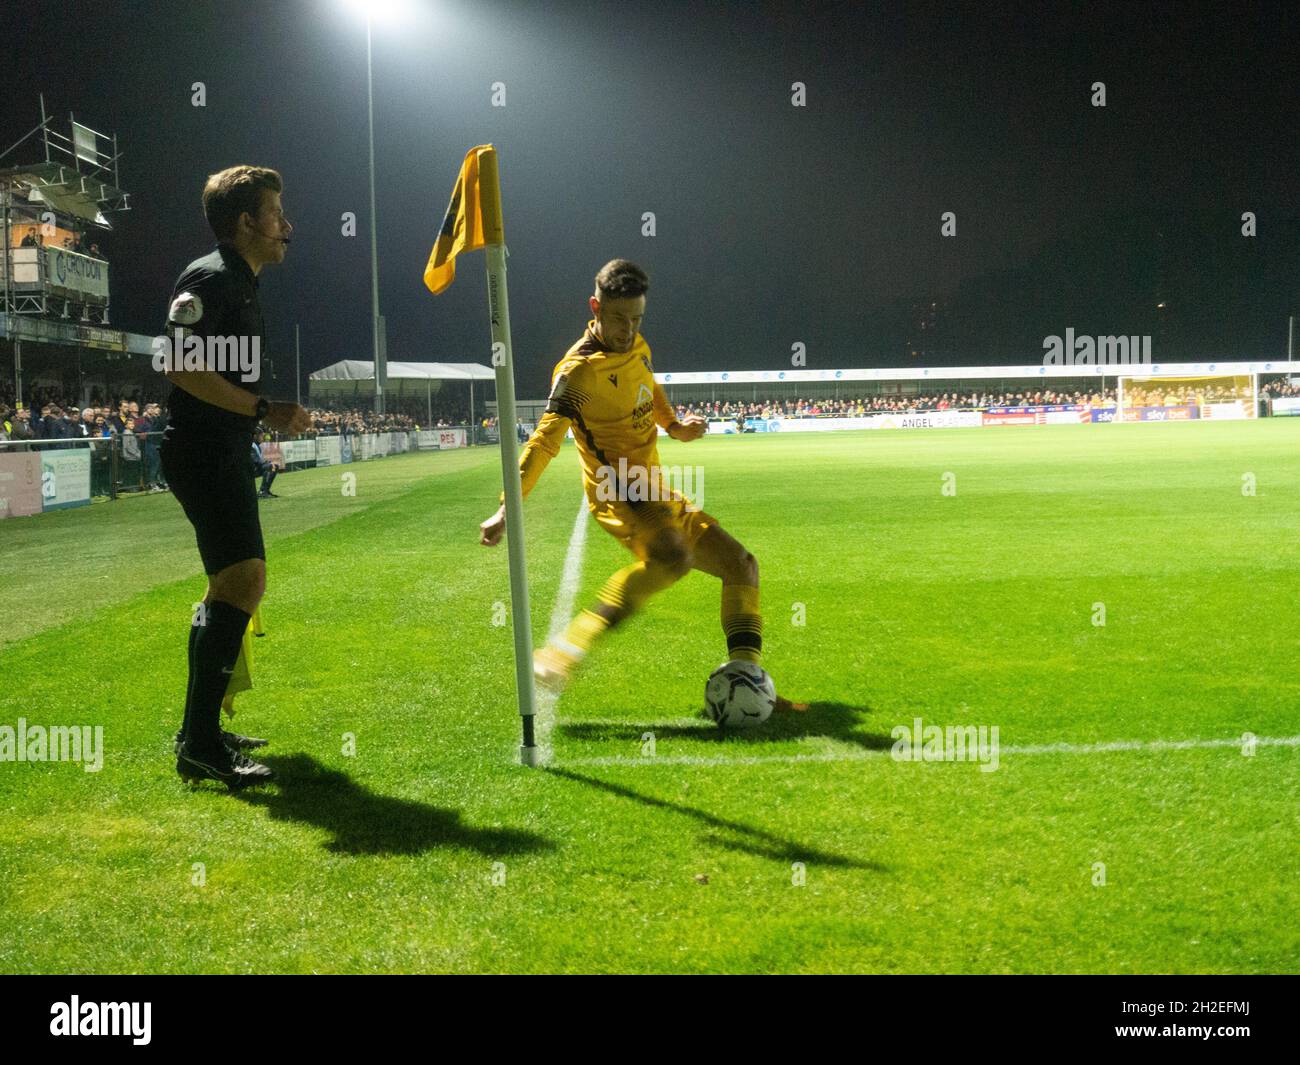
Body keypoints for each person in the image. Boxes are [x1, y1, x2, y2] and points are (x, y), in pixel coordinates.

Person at [479, 259, 805, 711]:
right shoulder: (578, 372)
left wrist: (675, 425)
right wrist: (506, 507)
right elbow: (544, 442)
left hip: (653, 488)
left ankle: (748, 682)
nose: (627, 330)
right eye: (617, 319)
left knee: (742, 565)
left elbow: (649, 388)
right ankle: (562, 653)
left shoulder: (638, 346)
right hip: (618, 489)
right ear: (595, 307)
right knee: (672, 557)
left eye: (636, 319)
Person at [161, 164, 309, 789]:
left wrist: (254, 417)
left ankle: (200, 734)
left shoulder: (240, 284)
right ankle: (199, 742)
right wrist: (263, 410)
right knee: (244, 581)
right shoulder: (211, 278)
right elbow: (179, 365)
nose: (287, 227)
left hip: (219, 450)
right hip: (202, 453)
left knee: (232, 586)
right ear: (245, 221)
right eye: (276, 214)